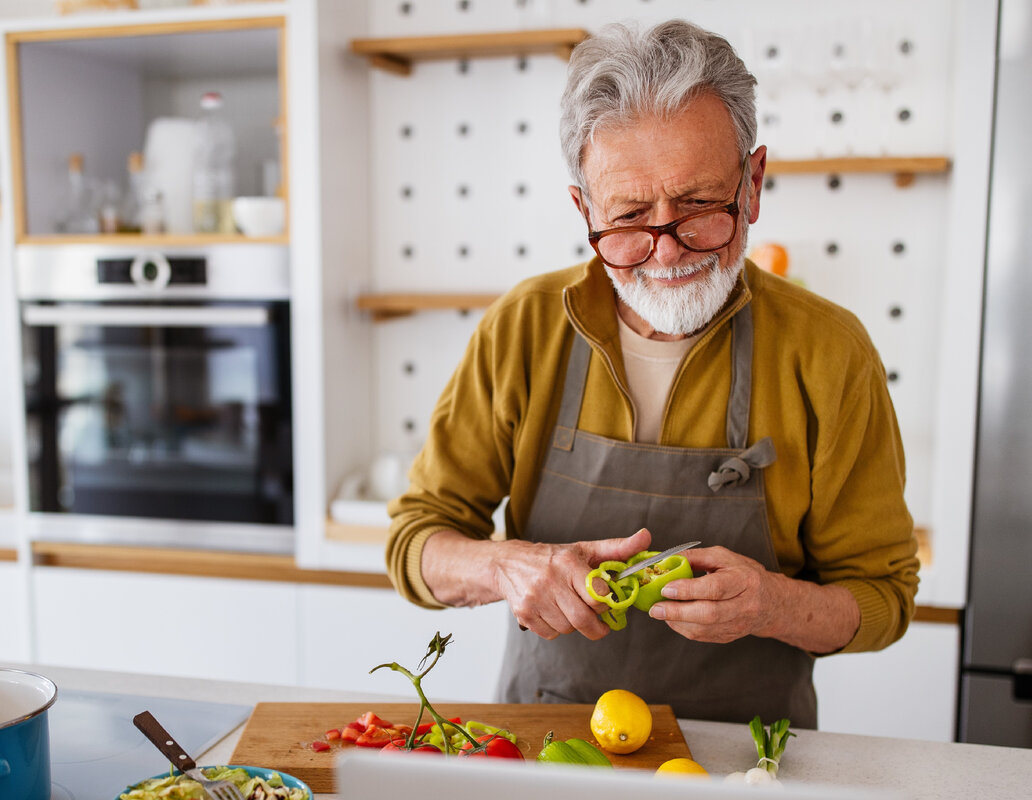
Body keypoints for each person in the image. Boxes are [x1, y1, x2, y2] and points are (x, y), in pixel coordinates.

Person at [384, 18, 920, 727]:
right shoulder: (525, 326)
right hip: (547, 743)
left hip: (746, 758)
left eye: (699, 206)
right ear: (584, 209)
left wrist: (776, 604)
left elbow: (885, 597)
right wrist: (506, 567)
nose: (667, 252)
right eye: (631, 216)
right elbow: (415, 541)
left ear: (752, 184)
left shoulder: (829, 352)